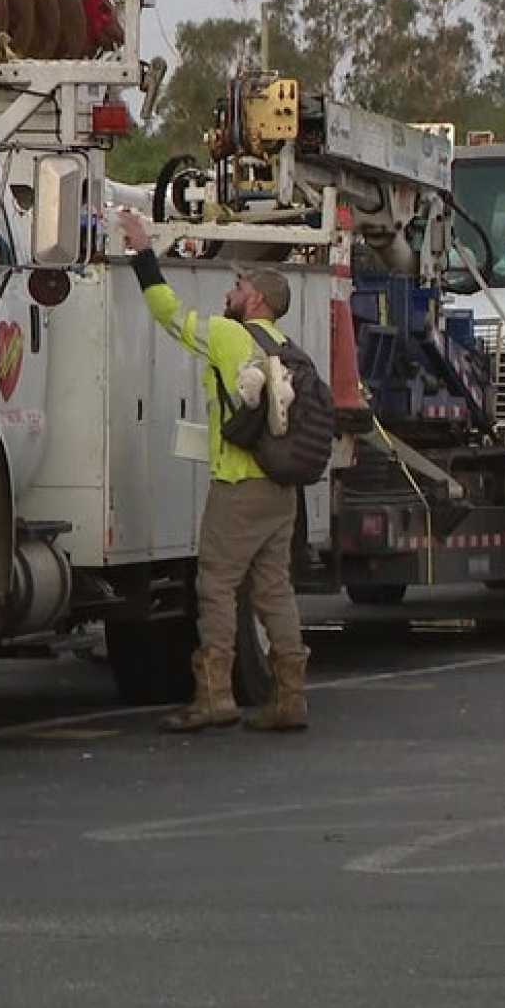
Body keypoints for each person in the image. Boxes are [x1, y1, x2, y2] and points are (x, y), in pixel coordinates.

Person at [116, 209, 312, 733]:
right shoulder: (287, 350)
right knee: (274, 589)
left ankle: (214, 695)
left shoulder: (230, 336)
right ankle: (291, 698)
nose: (233, 290)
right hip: (281, 490)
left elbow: (170, 315)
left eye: (241, 284)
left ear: (258, 300)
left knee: (217, 585)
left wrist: (141, 253)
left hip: (238, 486)